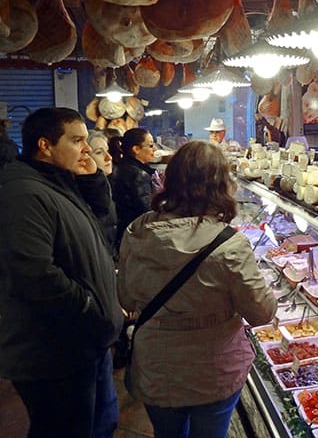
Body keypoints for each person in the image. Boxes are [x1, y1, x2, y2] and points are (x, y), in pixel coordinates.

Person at [118, 141, 277, 438]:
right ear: (222, 184)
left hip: (156, 367)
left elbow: (126, 298)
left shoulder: (136, 231)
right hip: (214, 370)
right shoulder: (230, 244)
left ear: (170, 179)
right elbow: (261, 313)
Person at [0, 107, 123, 438]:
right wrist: (91, 309)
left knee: (100, 424)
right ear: (45, 145)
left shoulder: (59, 183)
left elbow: (102, 228)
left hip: (85, 342)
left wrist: (93, 181)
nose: (86, 149)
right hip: (54, 352)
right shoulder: (23, 194)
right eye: (77, 141)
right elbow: (33, 274)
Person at [110, 127, 156, 247]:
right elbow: (146, 210)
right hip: (135, 231)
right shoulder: (138, 174)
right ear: (136, 149)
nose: (154, 149)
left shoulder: (119, 167)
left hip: (122, 231)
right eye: (150, 146)